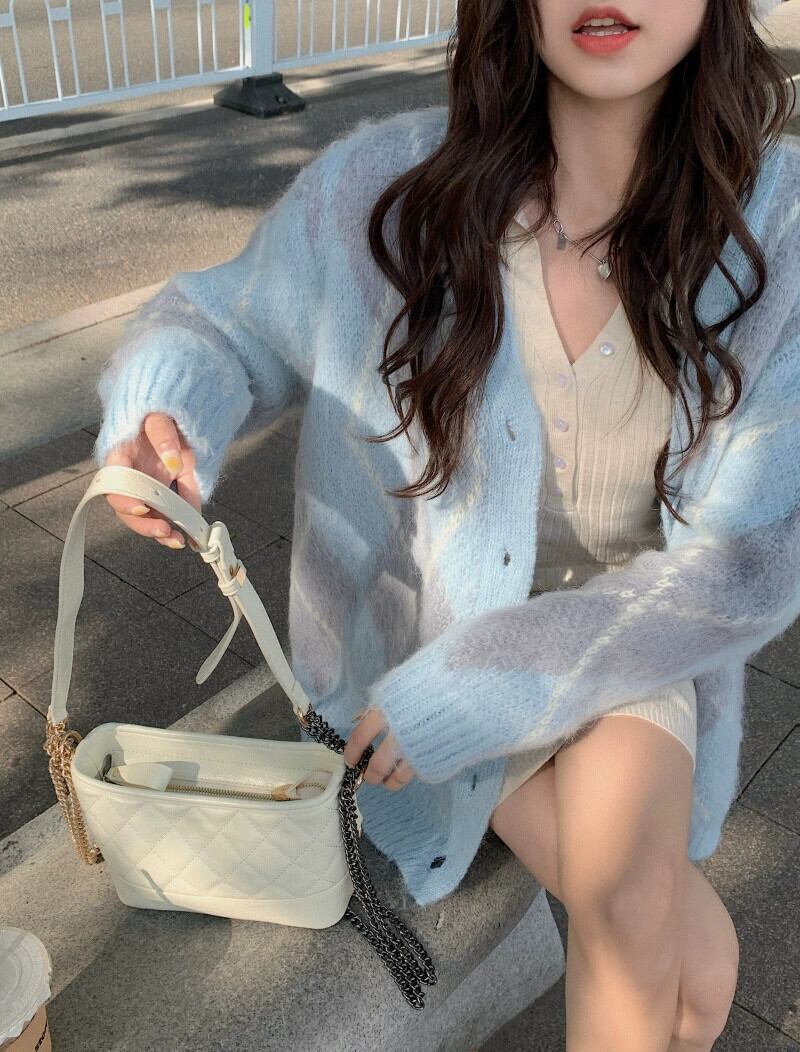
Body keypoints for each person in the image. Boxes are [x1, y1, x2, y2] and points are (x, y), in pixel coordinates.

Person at [93, 1, 799, 1048]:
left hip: (631, 640)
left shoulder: (778, 221)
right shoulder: (385, 187)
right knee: (692, 972)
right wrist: (166, 410)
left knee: (661, 934)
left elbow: (748, 560)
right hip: (420, 641)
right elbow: (220, 318)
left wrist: (480, 689)